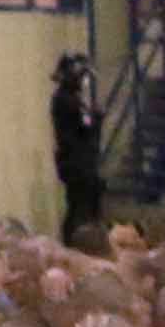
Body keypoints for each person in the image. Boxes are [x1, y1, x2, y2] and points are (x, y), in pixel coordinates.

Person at [43, 52, 101, 238]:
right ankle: (75, 241)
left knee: (82, 204)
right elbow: (83, 127)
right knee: (79, 207)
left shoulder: (70, 98)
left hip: (78, 159)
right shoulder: (66, 100)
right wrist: (96, 119)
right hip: (76, 161)